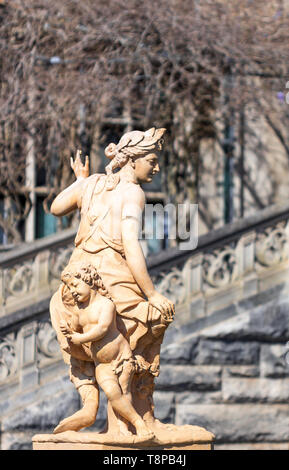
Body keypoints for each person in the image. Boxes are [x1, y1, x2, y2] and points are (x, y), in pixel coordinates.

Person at [50, 127, 175, 433]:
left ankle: (90, 404)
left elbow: (55, 207)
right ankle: (138, 420)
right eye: (152, 159)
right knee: (152, 323)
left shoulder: (92, 184)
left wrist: (80, 180)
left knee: (88, 345)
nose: (156, 167)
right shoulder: (133, 193)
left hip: (72, 284)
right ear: (132, 160)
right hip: (110, 280)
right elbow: (131, 245)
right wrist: (152, 293)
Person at [57, 261, 154, 439]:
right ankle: (138, 422)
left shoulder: (105, 304)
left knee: (124, 392)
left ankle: (124, 428)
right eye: (70, 288)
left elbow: (102, 329)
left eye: (75, 285)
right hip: (101, 363)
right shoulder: (79, 312)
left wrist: (80, 338)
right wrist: (68, 331)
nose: (73, 291)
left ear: (89, 280)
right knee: (112, 392)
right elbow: (74, 329)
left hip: (121, 356)